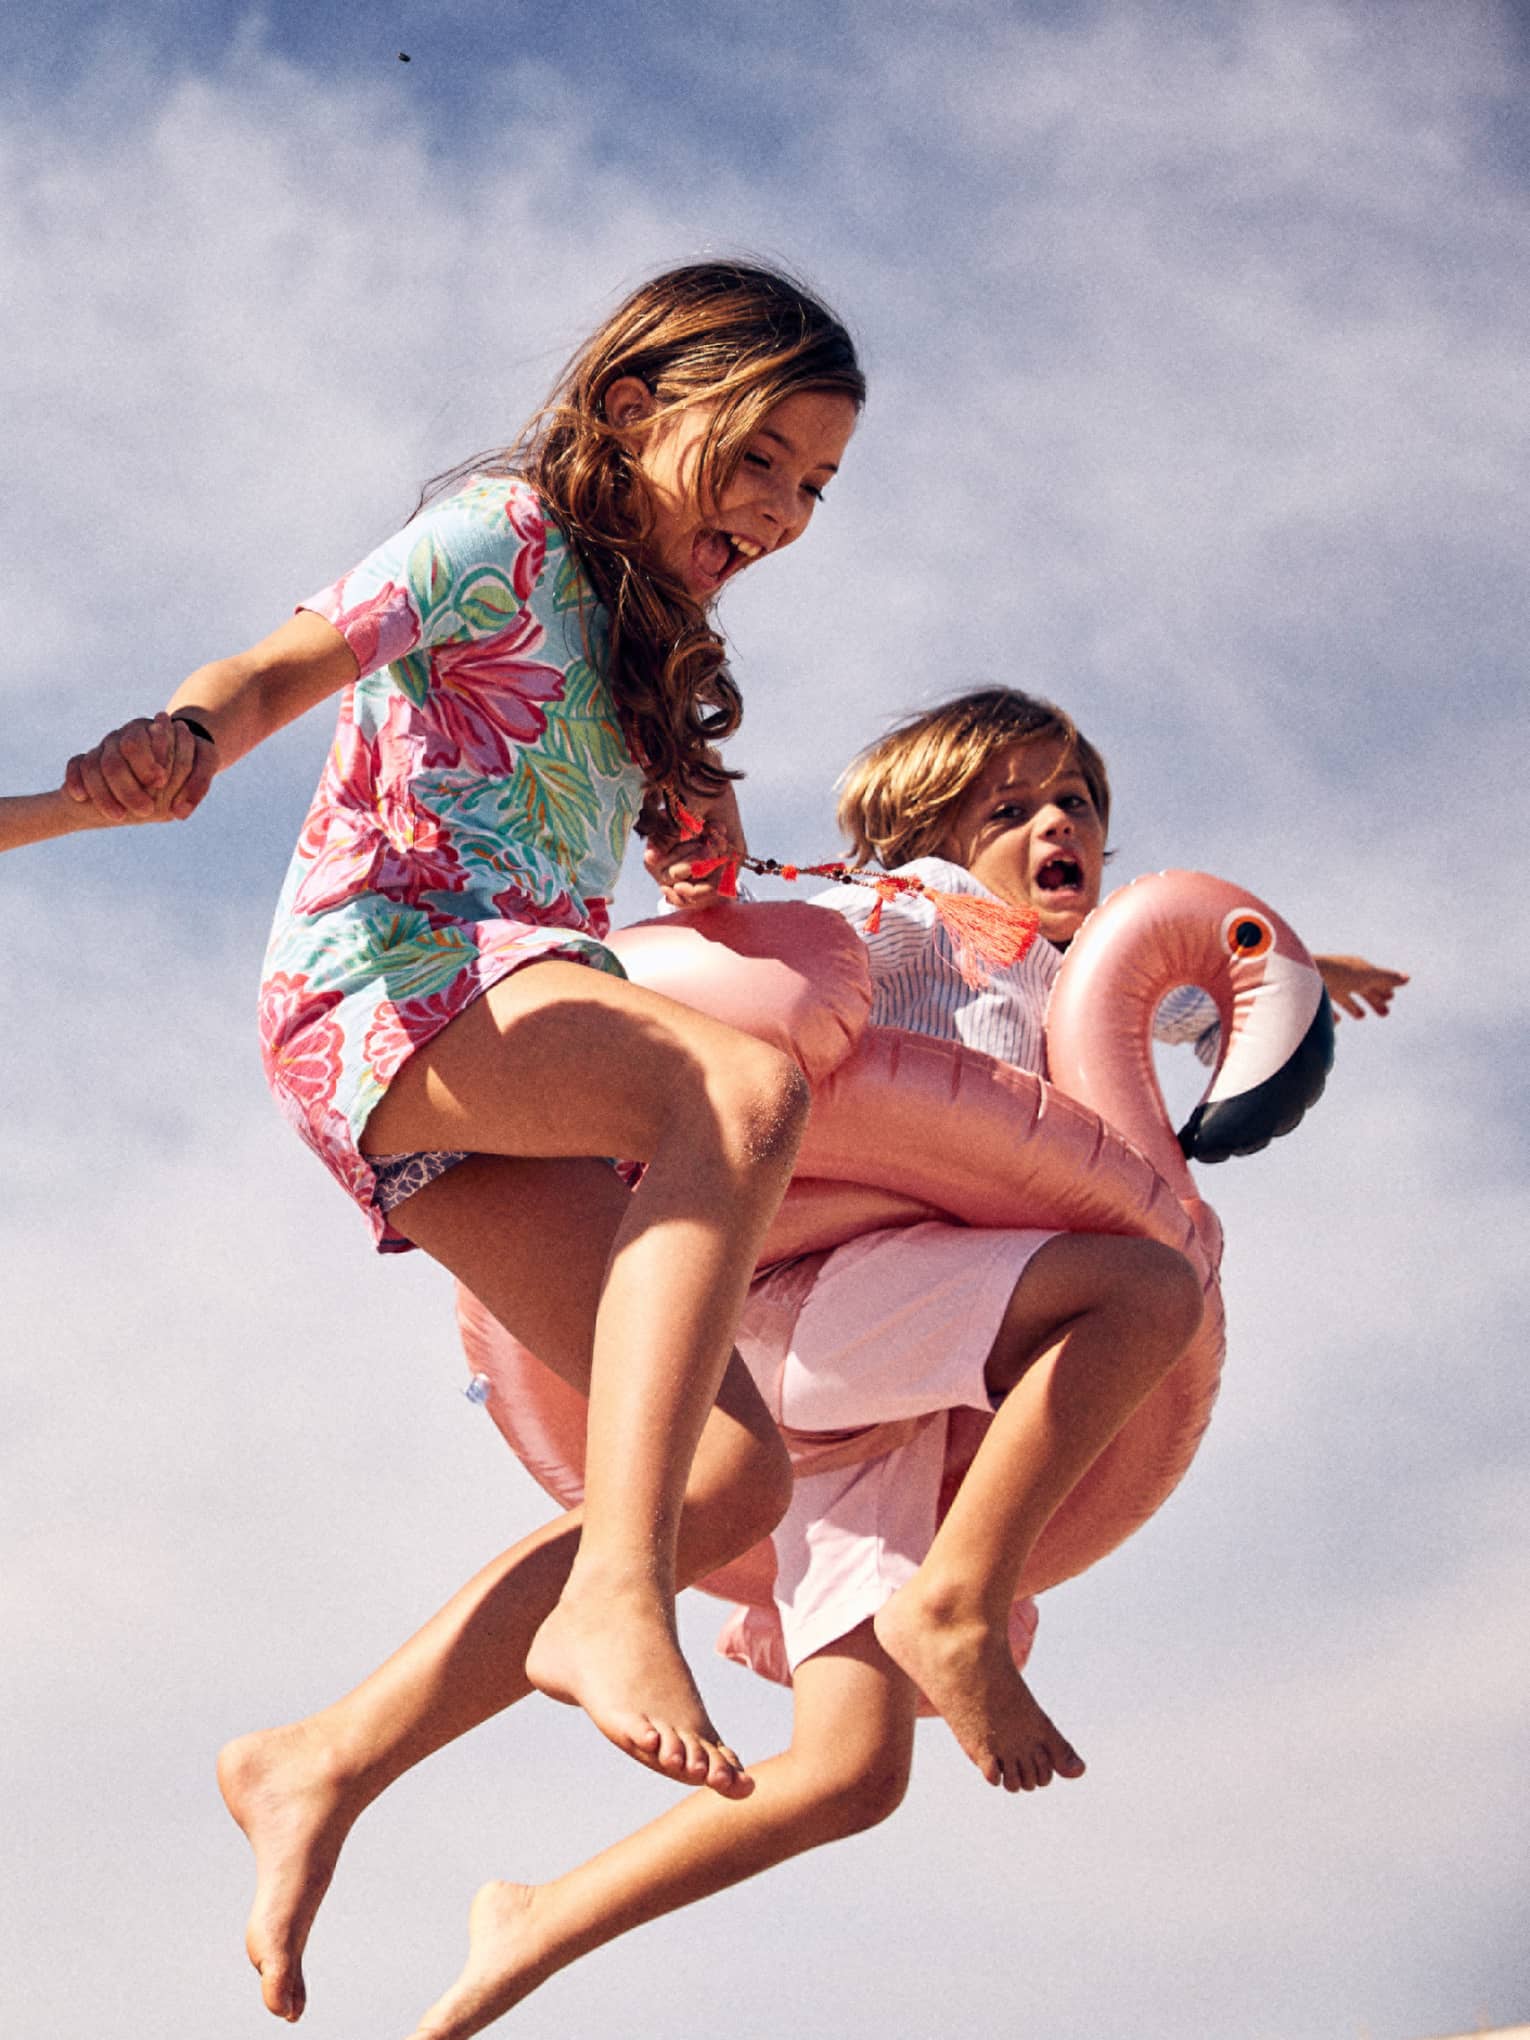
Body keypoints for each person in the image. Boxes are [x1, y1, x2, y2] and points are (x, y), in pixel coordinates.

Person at [385, 686, 1408, 2040]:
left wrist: (1301, 969)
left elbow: (1158, 976)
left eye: (1078, 805)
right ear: (928, 833)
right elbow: (730, 924)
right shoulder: (893, 916)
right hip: (796, 1303)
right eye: (1011, 807)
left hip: (888, 1391)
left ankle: (534, 1918)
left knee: (850, 1773)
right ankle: (960, 1604)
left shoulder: (1064, 981)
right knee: (1140, 1288)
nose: (1058, 823)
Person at [53, 262, 865, 1855]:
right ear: (633, 410)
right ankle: (615, 1599)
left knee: (724, 1477)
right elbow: (282, 663)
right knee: (735, 1088)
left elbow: (731, 895)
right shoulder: (505, 537)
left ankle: (320, 1762)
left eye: (816, 484)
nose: (780, 507)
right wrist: (191, 737)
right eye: (758, 457)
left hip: (501, 1041)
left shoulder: (660, 668)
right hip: (391, 974)